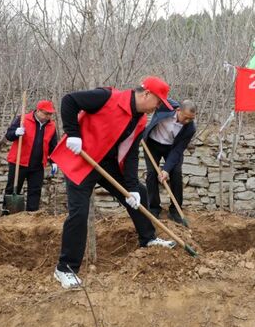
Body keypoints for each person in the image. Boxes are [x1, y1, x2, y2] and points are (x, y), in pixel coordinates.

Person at [50, 77, 176, 289]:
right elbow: (69, 100)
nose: (158, 107)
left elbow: (131, 155)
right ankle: (65, 269)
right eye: (158, 102)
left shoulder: (140, 120)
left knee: (141, 193)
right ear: (147, 94)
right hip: (82, 159)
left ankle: (148, 239)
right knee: (79, 214)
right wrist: (73, 134)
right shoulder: (107, 97)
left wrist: (132, 189)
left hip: (107, 164)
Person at [144, 99, 197, 224]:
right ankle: (154, 208)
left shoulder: (190, 128)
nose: (188, 121)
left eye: (191, 119)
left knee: (176, 173)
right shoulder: (165, 106)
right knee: (151, 174)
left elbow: (178, 150)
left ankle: (175, 210)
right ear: (178, 110)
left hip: (172, 148)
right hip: (152, 144)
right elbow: (150, 103)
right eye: (186, 117)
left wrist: (166, 170)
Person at [3, 100, 58, 214]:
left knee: (35, 191)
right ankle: (8, 215)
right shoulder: (23, 119)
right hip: (19, 162)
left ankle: (31, 216)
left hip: (38, 165)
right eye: (46, 113)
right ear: (38, 111)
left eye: (50, 114)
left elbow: (52, 146)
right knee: (12, 189)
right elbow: (9, 135)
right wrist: (16, 132)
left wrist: (53, 162)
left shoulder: (51, 126)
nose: (48, 116)